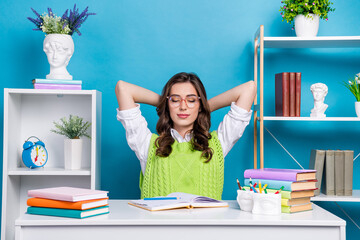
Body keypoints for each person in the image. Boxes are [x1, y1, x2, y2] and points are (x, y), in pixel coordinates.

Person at [115, 72, 256, 200]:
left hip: (206, 227)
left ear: (199, 104)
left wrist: (205, 107)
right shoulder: (146, 144)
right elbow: (123, 88)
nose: (183, 107)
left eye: (191, 100)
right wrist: (165, 103)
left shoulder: (219, 142)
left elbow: (249, 88)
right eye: (175, 100)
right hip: (160, 228)